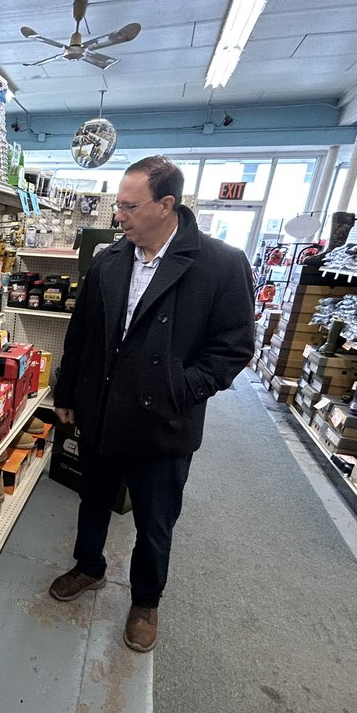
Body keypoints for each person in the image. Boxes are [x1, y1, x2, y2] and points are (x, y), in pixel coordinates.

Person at [49, 156, 255, 652]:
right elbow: (82, 334)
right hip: (101, 409)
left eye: (129, 205)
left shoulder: (221, 264)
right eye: (118, 205)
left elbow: (233, 348)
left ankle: (145, 602)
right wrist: (69, 393)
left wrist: (179, 389)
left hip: (164, 422)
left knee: (155, 518)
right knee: (93, 498)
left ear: (166, 205)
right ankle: (89, 567)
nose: (118, 215)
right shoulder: (110, 260)